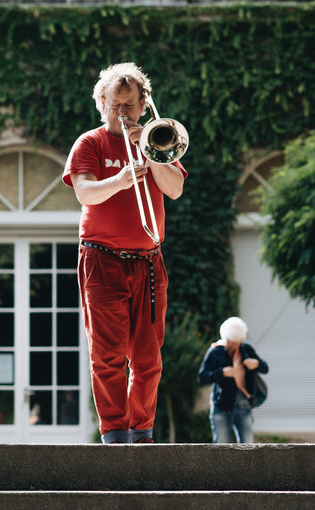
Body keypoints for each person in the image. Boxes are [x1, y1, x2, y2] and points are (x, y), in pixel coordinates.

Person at [62, 62, 188, 444]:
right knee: (108, 356)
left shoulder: (156, 141)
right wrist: (118, 180)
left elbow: (174, 189)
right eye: (115, 105)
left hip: (149, 261)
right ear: (101, 103)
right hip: (102, 259)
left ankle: (143, 432)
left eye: (130, 105)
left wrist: (146, 150)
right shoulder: (90, 143)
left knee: (148, 358)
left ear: (143, 104)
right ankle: (115, 433)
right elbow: (85, 193)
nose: (123, 113)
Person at [197, 317, 269, 443]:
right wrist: (222, 372)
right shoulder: (215, 352)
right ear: (226, 339)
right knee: (221, 447)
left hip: (244, 405)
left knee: (247, 447)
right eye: (232, 342)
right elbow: (202, 377)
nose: (235, 346)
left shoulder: (246, 348)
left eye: (238, 342)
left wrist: (256, 363)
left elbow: (265, 368)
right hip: (221, 406)